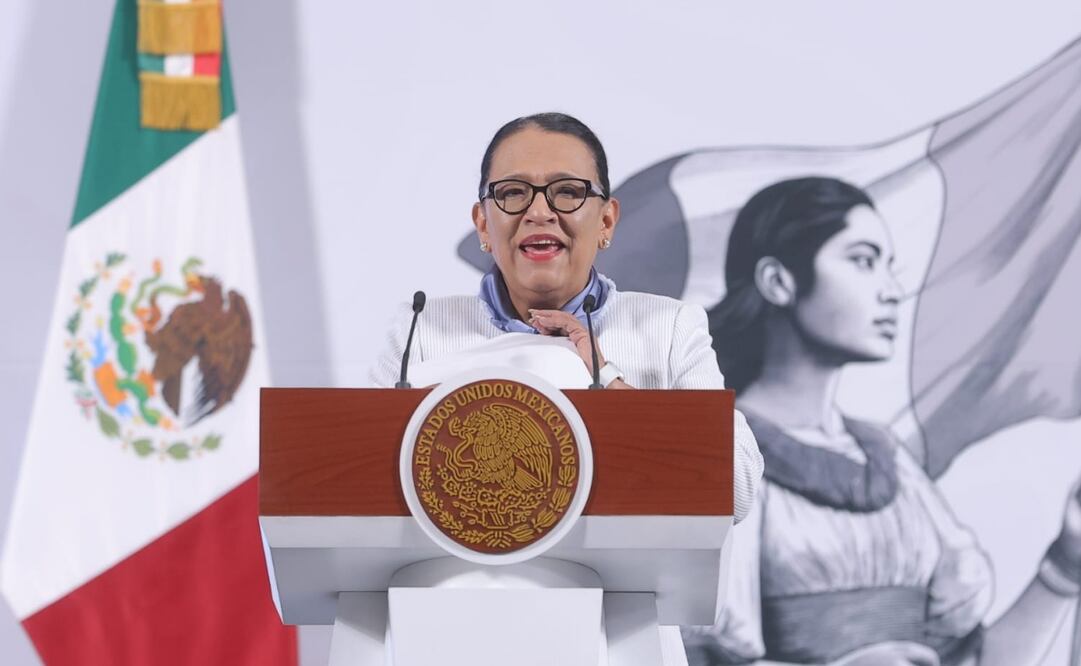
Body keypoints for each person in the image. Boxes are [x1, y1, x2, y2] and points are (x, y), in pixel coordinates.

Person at [681, 176, 1081, 666]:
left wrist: (1066, 563)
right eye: (863, 261)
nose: (892, 291)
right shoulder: (721, 453)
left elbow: (978, 659)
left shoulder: (887, 459)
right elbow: (692, 656)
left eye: (890, 268)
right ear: (778, 281)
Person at [370, 111, 763, 524]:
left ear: (606, 221)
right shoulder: (422, 330)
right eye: (514, 192)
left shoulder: (668, 328)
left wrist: (607, 377)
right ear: (483, 223)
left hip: (621, 588)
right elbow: (356, 479)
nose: (539, 211)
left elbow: (736, 490)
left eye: (568, 191)